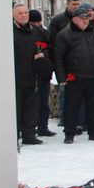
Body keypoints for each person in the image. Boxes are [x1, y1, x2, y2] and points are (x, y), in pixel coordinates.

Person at [52, 7, 94, 143]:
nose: (85, 21)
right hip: (74, 77)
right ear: (74, 20)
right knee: (72, 107)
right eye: (82, 18)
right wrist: (61, 77)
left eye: (87, 18)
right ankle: (69, 134)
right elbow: (58, 57)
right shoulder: (64, 35)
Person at [13, 4, 49, 145]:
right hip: (15, 77)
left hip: (33, 76)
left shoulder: (36, 31)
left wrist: (43, 54)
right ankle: (14, 135)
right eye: (20, 13)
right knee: (16, 109)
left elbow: (48, 46)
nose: (23, 15)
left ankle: (29, 135)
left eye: (25, 13)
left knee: (31, 108)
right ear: (13, 15)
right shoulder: (8, 31)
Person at [28, 9, 56, 137]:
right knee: (30, 103)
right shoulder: (26, 33)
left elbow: (51, 49)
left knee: (43, 102)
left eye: (38, 22)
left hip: (43, 73)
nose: (36, 24)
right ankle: (29, 127)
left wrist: (44, 54)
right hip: (29, 74)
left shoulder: (45, 33)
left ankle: (42, 127)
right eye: (33, 22)